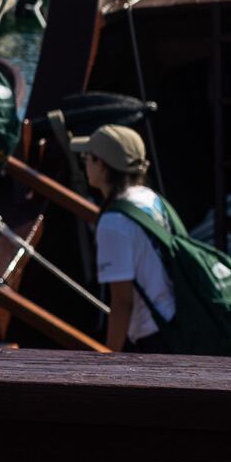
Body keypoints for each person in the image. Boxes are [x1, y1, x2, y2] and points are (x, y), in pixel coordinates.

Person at [76, 124, 177, 353]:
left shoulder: (114, 222)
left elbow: (122, 301)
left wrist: (110, 358)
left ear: (102, 165)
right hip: (171, 322)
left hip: (151, 335)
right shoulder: (150, 199)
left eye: (87, 157)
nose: (85, 164)